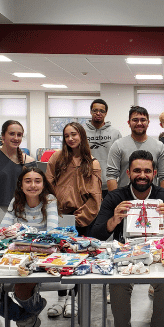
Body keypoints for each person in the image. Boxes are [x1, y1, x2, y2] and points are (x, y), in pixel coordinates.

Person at [89, 150, 164, 327]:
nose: (142, 175)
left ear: (154, 173)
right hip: (125, 255)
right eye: (137, 170)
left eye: (147, 171)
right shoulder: (115, 197)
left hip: (158, 254)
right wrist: (114, 219)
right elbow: (97, 234)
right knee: (118, 283)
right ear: (128, 173)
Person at [0, 167, 59, 327]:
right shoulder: (16, 202)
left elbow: (52, 233)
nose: (33, 185)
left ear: (43, 184)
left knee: (21, 290)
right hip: (13, 255)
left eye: (37, 180)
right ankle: (27, 320)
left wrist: (21, 232)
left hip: (39, 257)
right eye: (28, 181)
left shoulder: (50, 200)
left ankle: (33, 310)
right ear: (21, 185)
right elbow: (2, 233)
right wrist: (21, 234)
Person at [44, 122, 101, 317]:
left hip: (83, 218)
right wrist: (54, 214)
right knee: (60, 259)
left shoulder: (92, 163)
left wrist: (80, 218)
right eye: (67, 135)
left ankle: (74, 300)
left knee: (78, 259)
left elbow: (95, 197)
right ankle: (61, 299)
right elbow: (48, 186)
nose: (70, 139)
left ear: (82, 136)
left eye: (74, 134)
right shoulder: (57, 159)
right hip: (60, 217)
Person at [0, 120, 36, 230]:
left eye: (19, 135)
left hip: (24, 212)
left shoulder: (29, 162)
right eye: (11, 134)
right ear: (3, 136)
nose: (16, 138)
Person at [104, 106, 164, 191]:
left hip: (152, 201)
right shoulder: (118, 145)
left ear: (148, 122)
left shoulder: (159, 146)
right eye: (135, 120)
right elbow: (111, 176)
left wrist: (162, 200)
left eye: (143, 120)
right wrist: (116, 201)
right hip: (125, 200)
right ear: (129, 122)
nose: (139, 123)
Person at [84, 99, 121, 189]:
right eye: (95, 110)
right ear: (90, 112)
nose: (98, 113)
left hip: (109, 183)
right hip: (87, 182)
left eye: (102, 111)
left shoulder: (115, 133)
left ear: (106, 113)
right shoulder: (82, 132)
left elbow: (120, 158)